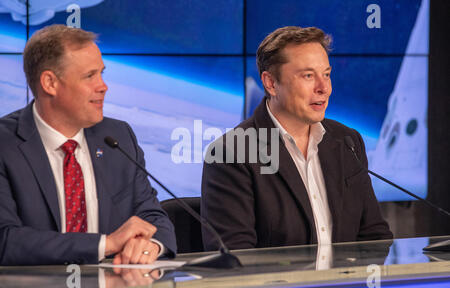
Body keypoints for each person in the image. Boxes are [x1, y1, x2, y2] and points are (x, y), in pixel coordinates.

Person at [201, 26, 393, 251]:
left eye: (327, 74)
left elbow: (375, 237)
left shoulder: (347, 142)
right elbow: (237, 257)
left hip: (345, 285)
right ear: (271, 83)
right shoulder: (232, 153)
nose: (324, 88)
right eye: (308, 76)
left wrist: (351, 284)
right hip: (277, 287)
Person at [0, 25, 176, 265]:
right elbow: (5, 240)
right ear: (50, 83)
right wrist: (106, 244)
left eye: (102, 74)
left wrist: (149, 246)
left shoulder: (118, 136)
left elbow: (153, 216)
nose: (103, 86)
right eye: (89, 76)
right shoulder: (5, 145)